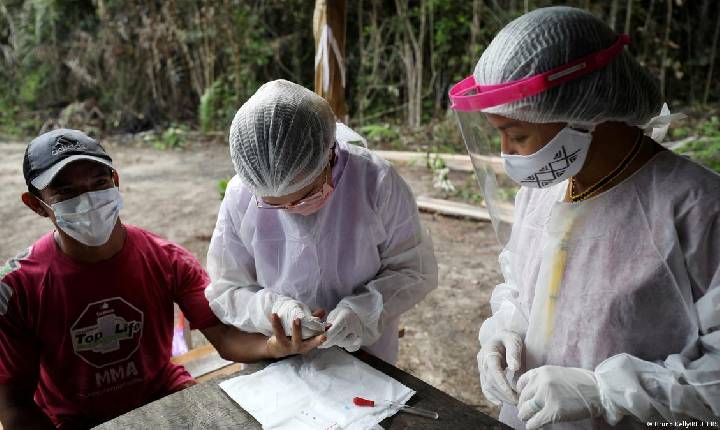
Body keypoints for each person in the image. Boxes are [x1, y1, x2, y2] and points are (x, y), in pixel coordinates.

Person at [448, 6, 720, 429]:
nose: (507, 154)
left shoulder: (698, 208)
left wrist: (604, 392)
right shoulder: (542, 193)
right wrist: (502, 335)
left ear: (589, 111)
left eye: (518, 135)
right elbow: (522, 290)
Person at [0, 129, 321, 429]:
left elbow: (223, 336)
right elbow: (13, 404)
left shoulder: (165, 258)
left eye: (99, 182)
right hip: (74, 421)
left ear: (115, 180)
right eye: (66, 192)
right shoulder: (18, 288)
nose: (88, 199)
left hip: (163, 395)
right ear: (37, 205)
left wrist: (272, 346)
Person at [204, 79, 438, 364]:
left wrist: (363, 312)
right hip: (278, 359)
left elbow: (414, 269)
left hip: (365, 355)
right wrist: (275, 310)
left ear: (329, 154)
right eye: (276, 205)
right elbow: (227, 288)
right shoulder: (241, 195)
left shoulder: (376, 182)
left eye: (306, 195)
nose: (294, 210)